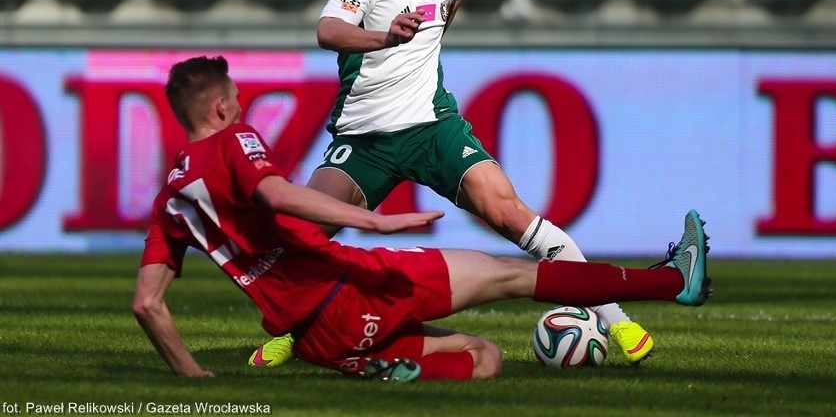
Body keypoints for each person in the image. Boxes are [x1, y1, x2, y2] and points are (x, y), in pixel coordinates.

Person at [251, 0, 655, 367]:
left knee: (509, 212)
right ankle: (289, 333)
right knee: (304, 231)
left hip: (433, 129)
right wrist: (384, 37)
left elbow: (442, 21)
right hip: (366, 139)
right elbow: (327, 31)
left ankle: (620, 322)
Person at [133, 55, 711, 381]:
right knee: (508, 273)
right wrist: (374, 223)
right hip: (352, 286)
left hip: (318, 340)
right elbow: (278, 194)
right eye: (236, 95)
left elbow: (147, 304)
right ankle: (671, 281)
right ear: (220, 106)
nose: (240, 103)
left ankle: (386, 370)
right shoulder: (234, 139)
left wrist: (193, 377)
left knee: (482, 360)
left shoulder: (170, 200)